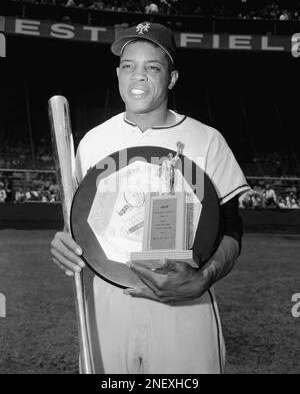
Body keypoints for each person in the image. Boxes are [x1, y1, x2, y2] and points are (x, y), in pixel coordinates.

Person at [51, 22, 249, 374]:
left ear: (172, 78)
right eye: (128, 66)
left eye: (152, 67)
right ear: (117, 73)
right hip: (105, 304)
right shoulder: (92, 142)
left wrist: (203, 279)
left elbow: (232, 229)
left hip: (184, 306)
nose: (137, 76)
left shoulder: (207, 140)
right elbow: (76, 226)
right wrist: (63, 243)